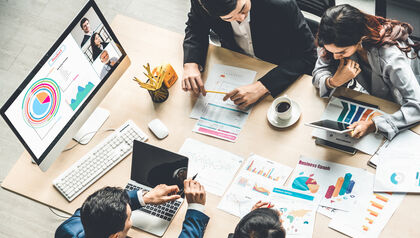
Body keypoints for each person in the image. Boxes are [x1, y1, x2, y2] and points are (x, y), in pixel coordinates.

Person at [182, 0, 317, 109]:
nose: (241, 18)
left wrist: (261, 87)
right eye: (229, 17)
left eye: (243, 8)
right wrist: (191, 64)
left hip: (276, 68)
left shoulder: (281, 4)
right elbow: (195, 26)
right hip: (235, 62)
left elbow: (308, 55)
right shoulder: (203, 3)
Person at [312, 4, 420, 140]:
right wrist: (333, 81)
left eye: (342, 52)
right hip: (378, 101)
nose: (335, 57)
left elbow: (417, 105)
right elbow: (319, 71)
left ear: (360, 39)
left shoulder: (391, 57)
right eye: (331, 51)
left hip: (402, 99)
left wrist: (374, 124)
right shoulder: (332, 40)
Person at [55, 179, 209, 238]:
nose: (131, 221)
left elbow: (87, 208)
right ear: (115, 236)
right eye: (129, 217)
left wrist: (145, 198)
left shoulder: (67, 231)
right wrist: (195, 209)